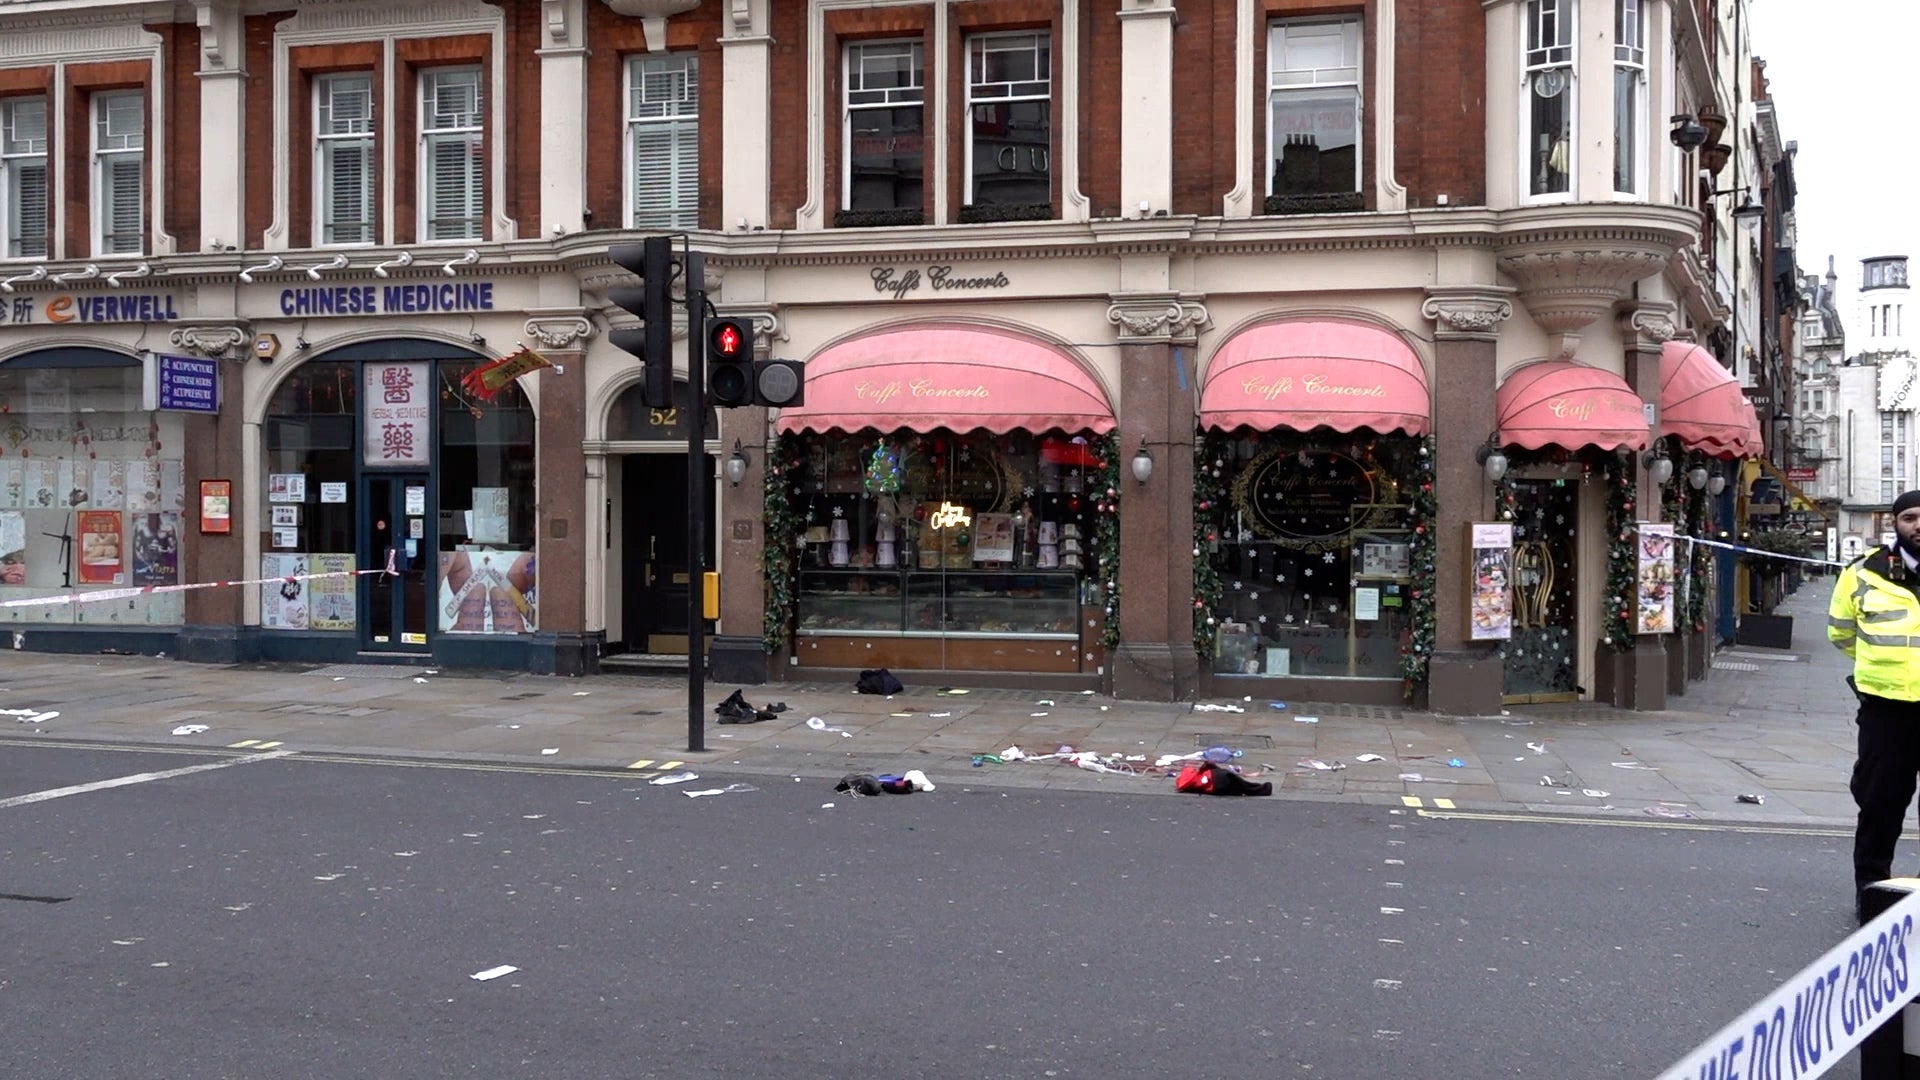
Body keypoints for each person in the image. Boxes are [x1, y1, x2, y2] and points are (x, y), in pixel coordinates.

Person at [1830, 489, 1920, 921]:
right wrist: (1881, 668)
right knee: (1880, 806)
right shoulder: (1865, 572)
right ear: (1895, 524)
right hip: (1887, 710)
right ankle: (1870, 893)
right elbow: (1841, 633)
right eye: (1910, 517)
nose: (1918, 525)